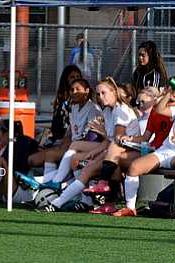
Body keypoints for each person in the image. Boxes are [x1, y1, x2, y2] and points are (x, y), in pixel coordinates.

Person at [41, 77, 140, 212]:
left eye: (103, 93)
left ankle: (57, 200)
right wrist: (93, 152)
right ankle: (95, 202)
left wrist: (102, 135)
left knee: (90, 167)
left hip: (129, 152)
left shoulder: (121, 109)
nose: (100, 97)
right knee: (78, 158)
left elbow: (117, 139)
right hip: (115, 151)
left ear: (114, 92)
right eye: (98, 94)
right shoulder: (107, 111)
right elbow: (109, 141)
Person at [113, 85, 175, 217]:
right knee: (134, 167)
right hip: (166, 151)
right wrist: (168, 94)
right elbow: (159, 109)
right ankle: (130, 208)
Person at [28, 79, 102, 182]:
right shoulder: (74, 108)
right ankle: (50, 184)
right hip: (73, 145)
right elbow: (70, 131)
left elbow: (92, 135)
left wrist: (74, 145)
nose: (74, 92)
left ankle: (49, 182)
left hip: (87, 147)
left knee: (67, 157)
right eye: (72, 90)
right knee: (50, 154)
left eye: (78, 89)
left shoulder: (93, 109)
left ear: (86, 91)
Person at [47, 65, 82, 146]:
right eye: (72, 77)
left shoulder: (82, 99)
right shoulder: (62, 98)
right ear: (66, 80)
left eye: (78, 76)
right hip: (59, 138)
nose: (76, 79)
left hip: (73, 139)